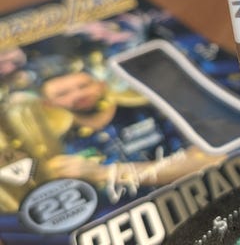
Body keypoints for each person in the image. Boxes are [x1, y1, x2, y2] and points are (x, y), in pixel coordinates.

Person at [41, 71, 223, 202]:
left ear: (102, 85)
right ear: (48, 104)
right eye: (62, 94)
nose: (78, 94)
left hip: (204, 196)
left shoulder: (154, 110)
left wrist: (105, 173)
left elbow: (208, 159)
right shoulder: (64, 146)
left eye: (84, 86)